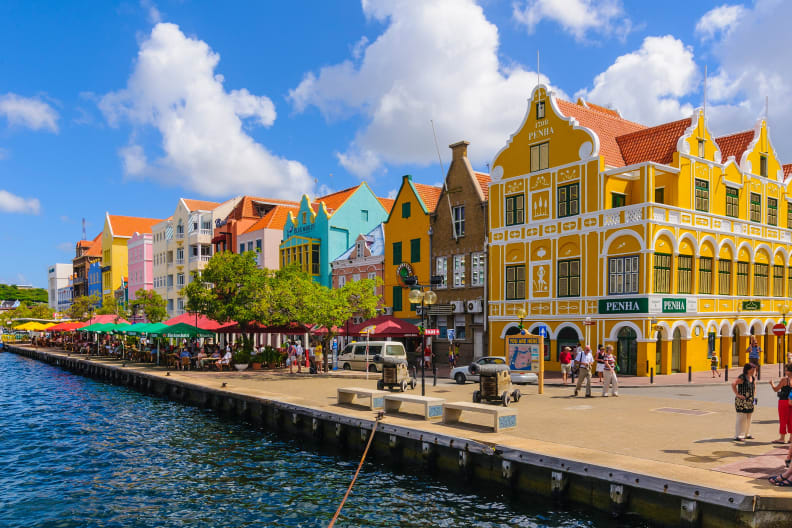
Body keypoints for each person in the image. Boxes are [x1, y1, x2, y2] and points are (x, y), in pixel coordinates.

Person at [732, 363, 757, 441]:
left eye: (754, 370)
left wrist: (754, 394)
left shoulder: (752, 377)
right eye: (753, 370)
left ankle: (747, 434)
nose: (754, 371)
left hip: (750, 400)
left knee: (749, 417)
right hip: (742, 401)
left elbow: (754, 386)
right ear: (748, 370)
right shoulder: (742, 377)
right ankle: (738, 435)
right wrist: (737, 394)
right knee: (741, 417)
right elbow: (733, 384)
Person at [769, 363, 792, 444]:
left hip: (783, 401)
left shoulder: (784, 380)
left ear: (789, 371)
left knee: (783, 419)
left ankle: (782, 438)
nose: (785, 371)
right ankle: (791, 438)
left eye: (786, 370)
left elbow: (776, 389)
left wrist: (772, 384)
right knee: (790, 420)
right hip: (791, 401)